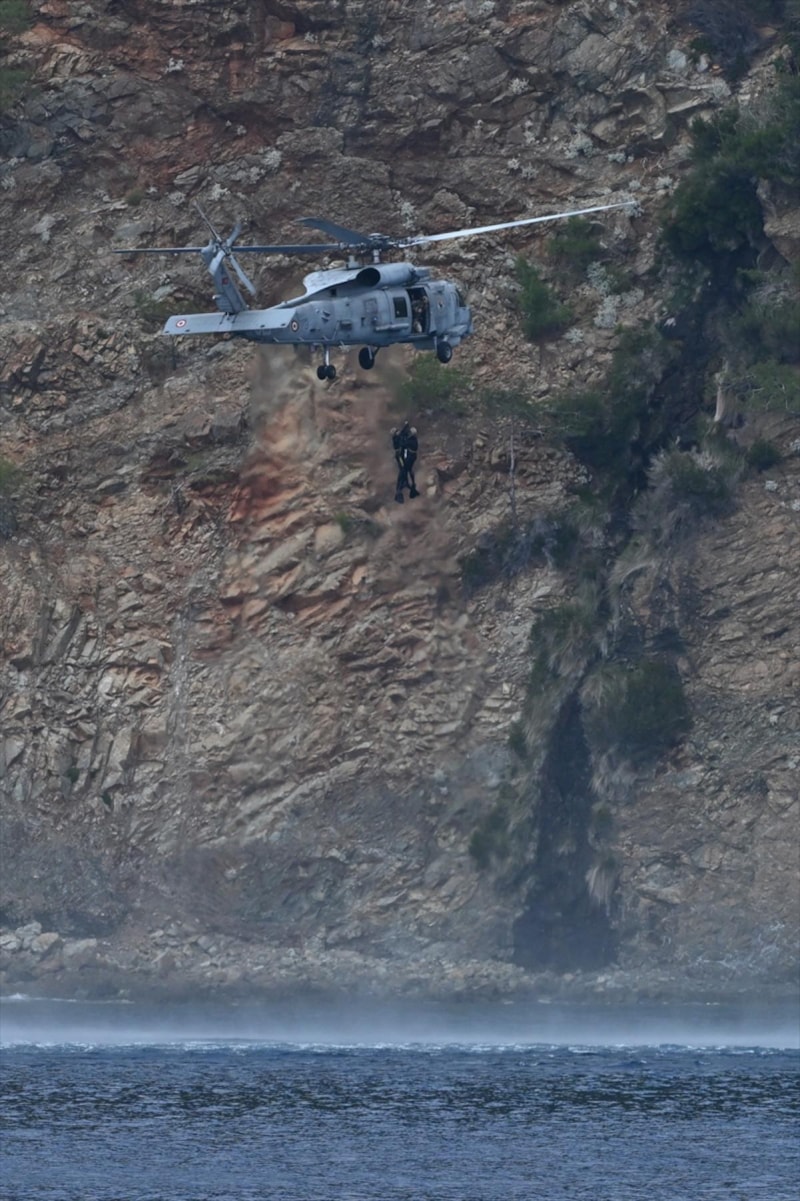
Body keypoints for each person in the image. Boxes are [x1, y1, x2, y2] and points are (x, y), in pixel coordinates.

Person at [393, 421, 419, 503]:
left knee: (405, 470)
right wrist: (406, 425)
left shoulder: (409, 440)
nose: (398, 432)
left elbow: (403, 434)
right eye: (396, 431)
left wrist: (406, 425)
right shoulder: (398, 439)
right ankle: (401, 488)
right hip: (402, 456)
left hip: (407, 456)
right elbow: (402, 434)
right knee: (404, 471)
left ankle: (403, 487)